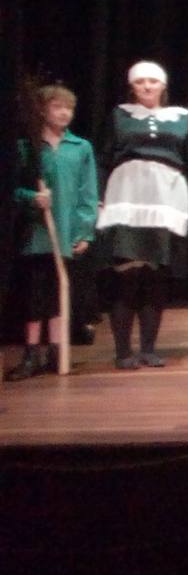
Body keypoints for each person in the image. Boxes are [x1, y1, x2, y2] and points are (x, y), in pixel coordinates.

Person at [96, 61, 188, 370]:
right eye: (140, 82)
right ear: (132, 86)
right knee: (126, 275)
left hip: (166, 198)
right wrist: (98, 196)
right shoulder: (120, 115)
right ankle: (123, 352)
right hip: (127, 196)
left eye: (153, 81)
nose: (147, 86)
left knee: (155, 276)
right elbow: (104, 157)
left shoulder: (181, 117)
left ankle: (149, 349)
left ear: (163, 85)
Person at [6, 84, 97, 381]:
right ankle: (32, 352)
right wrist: (31, 197)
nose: (64, 113)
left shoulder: (80, 147)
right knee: (36, 294)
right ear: (43, 110)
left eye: (69, 108)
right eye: (58, 107)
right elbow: (12, 189)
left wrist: (85, 231)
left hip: (66, 231)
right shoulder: (28, 147)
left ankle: (57, 350)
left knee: (60, 291)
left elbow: (87, 192)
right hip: (37, 232)